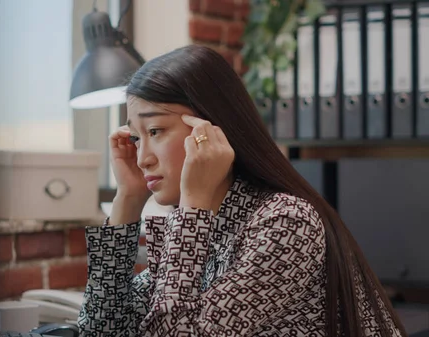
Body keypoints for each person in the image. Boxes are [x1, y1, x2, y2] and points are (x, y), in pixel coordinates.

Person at [76, 45, 406, 337]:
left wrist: (193, 209)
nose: (142, 157)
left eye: (155, 131)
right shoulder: (200, 221)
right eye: (135, 138)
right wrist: (128, 200)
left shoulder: (286, 222)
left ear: (209, 132)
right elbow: (99, 330)